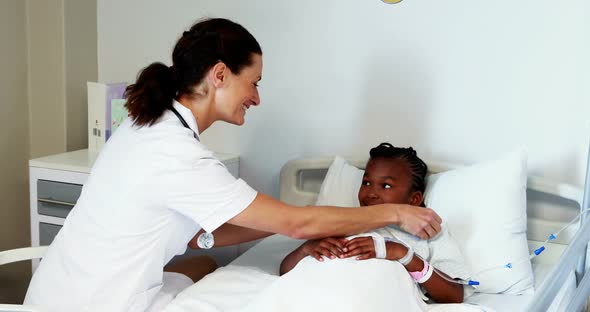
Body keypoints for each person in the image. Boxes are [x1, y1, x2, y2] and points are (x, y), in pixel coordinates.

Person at [24, 19, 442, 312]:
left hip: (59, 288)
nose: (257, 98)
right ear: (220, 74)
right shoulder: (178, 154)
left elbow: (199, 239)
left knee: (204, 263)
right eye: (254, 82)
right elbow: (296, 224)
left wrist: (306, 225)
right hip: (99, 304)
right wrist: (392, 213)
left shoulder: (146, 123)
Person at [280, 143, 470, 304]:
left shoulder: (427, 233)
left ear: (414, 199)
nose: (370, 193)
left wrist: (402, 254)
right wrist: (307, 249)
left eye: (386, 185)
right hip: (317, 295)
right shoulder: (340, 222)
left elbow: (454, 295)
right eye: (367, 183)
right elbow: (285, 272)